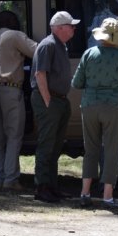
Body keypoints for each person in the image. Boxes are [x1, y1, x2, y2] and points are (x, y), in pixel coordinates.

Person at [72, 18, 118, 209]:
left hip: (90, 106)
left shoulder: (88, 54)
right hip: (114, 107)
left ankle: (85, 193)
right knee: (110, 150)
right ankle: (108, 197)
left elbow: (76, 83)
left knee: (90, 149)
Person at [0, 11, 38, 191]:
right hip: (10, 88)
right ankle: (11, 180)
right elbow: (37, 50)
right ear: (12, 21)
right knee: (14, 135)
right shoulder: (15, 35)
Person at [31, 11, 80, 203]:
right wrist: (48, 101)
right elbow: (40, 74)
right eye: (71, 25)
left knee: (56, 145)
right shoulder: (48, 45)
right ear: (60, 28)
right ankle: (41, 187)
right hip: (50, 100)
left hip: (59, 100)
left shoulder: (61, 45)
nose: (74, 28)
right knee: (47, 145)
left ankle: (52, 187)